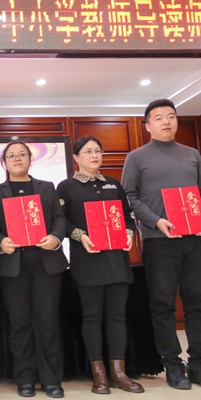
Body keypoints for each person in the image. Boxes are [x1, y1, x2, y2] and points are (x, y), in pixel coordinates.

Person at [122, 99, 201, 389]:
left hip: (195, 240)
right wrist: (156, 221)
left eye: (171, 116)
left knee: (197, 302)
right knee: (163, 305)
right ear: (147, 126)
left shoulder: (192, 154)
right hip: (159, 241)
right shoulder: (137, 157)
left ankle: (197, 363)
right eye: (159, 118)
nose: (166, 121)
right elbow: (129, 196)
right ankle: (172, 364)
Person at [56, 136, 144, 395]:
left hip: (116, 260)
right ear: (75, 157)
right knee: (92, 316)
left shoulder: (113, 184)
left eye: (98, 151)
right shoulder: (66, 187)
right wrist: (80, 235)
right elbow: (61, 222)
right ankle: (99, 374)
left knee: (117, 316)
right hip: (87, 260)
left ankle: (119, 372)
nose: (94, 155)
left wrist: (129, 233)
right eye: (87, 151)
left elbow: (128, 216)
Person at [0, 141, 67, 399]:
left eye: (22, 154)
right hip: (13, 264)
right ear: (4, 162)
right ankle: (25, 379)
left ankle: (51, 380)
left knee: (47, 322)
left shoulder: (46, 187)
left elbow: (59, 218)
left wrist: (56, 237)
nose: (17, 159)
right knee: (19, 324)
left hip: (46, 262)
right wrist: (0, 241)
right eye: (11, 155)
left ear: (31, 159)